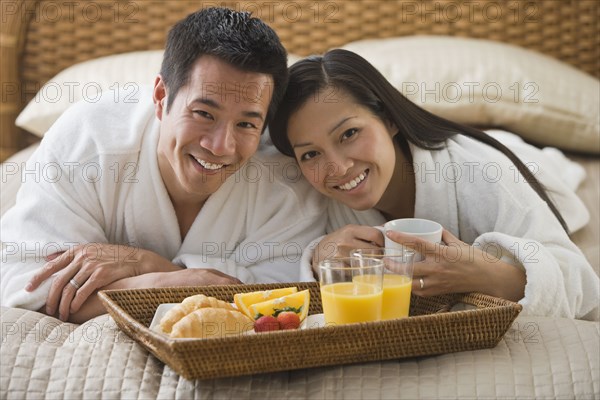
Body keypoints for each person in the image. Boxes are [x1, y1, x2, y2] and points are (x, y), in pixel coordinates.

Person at [0, 8, 327, 323]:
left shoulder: (284, 174)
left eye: (246, 125)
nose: (220, 147)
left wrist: (145, 267)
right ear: (160, 96)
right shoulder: (87, 142)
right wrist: (172, 283)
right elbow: (26, 283)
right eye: (204, 114)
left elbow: (278, 301)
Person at [269, 49, 599, 319]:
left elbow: (582, 284)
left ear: (389, 120)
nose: (338, 168)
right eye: (311, 153)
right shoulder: (310, 192)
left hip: (525, 162)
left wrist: (487, 275)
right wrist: (319, 258)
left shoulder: (482, 173)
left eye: (350, 134)